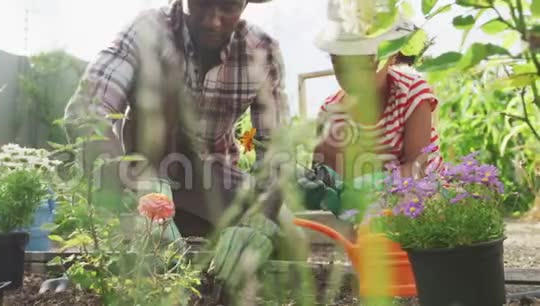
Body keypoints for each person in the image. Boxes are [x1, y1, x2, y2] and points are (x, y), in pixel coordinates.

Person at [61, 0, 301, 297]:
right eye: (202, 3)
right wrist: (131, 196)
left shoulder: (261, 51)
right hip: (146, 177)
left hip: (217, 180)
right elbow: (86, 114)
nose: (213, 21)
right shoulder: (147, 30)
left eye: (229, 6)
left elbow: (276, 149)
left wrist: (260, 222)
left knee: (291, 234)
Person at [311, 0, 444, 181]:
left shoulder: (412, 93)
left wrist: (374, 185)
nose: (353, 75)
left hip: (422, 197)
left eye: (365, 65)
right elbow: (324, 174)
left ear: (392, 56)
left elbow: (417, 165)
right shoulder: (331, 113)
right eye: (340, 64)